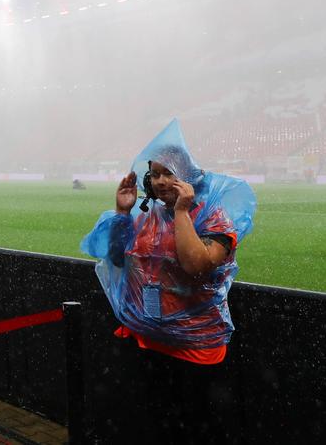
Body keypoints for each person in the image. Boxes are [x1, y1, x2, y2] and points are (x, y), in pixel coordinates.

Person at [81, 119, 256, 441]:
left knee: (196, 426)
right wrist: (122, 213)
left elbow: (197, 266)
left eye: (169, 173)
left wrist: (181, 211)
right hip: (148, 339)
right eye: (155, 173)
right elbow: (118, 259)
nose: (161, 181)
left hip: (194, 349)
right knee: (155, 423)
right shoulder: (147, 216)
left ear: (188, 177)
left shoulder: (213, 217)